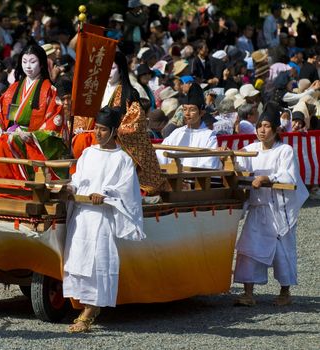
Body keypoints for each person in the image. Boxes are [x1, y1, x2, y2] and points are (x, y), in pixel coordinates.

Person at [63, 107, 145, 333]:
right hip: (82, 215)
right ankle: (87, 306)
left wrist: (106, 194)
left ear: (113, 131)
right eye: (96, 128)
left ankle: (88, 314)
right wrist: (70, 187)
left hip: (103, 216)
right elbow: (79, 177)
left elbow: (126, 189)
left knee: (99, 262)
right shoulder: (88, 153)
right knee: (78, 258)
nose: (97, 133)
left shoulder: (123, 159)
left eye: (102, 129)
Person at [233, 110, 308, 306]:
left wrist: (268, 178)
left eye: (266, 126)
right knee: (248, 249)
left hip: (277, 209)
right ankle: (248, 293)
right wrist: (233, 165)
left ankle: (285, 292)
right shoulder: (250, 149)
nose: (262, 130)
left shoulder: (284, 150)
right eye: (259, 126)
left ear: (275, 130)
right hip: (258, 208)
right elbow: (240, 168)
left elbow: (289, 176)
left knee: (282, 251)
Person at [0, 43, 67, 183]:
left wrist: (31, 136)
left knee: (6, 141)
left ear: (42, 64)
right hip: (10, 132)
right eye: (24, 62)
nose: (28, 66)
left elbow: (54, 123)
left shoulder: (49, 90)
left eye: (33, 62)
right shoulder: (14, 88)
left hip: (31, 137)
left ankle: (6, 184)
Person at [72, 52, 166, 195]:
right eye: (106, 68)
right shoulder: (95, 89)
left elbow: (135, 122)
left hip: (116, 141)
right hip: (94, 137)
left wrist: (114, 132)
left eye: (113, 68)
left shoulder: (129, 93)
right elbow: (85, 114)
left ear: (121, 69)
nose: (108, 72)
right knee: (80, 142)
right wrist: (81, 127)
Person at [156, 83, 221, 169]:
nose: (187, 113)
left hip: (195, 180)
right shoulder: (177, 133)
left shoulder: (209, 136)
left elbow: (208, 164)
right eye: (185, 109)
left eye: (192, 110)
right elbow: (160, 155)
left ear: (201, 113)